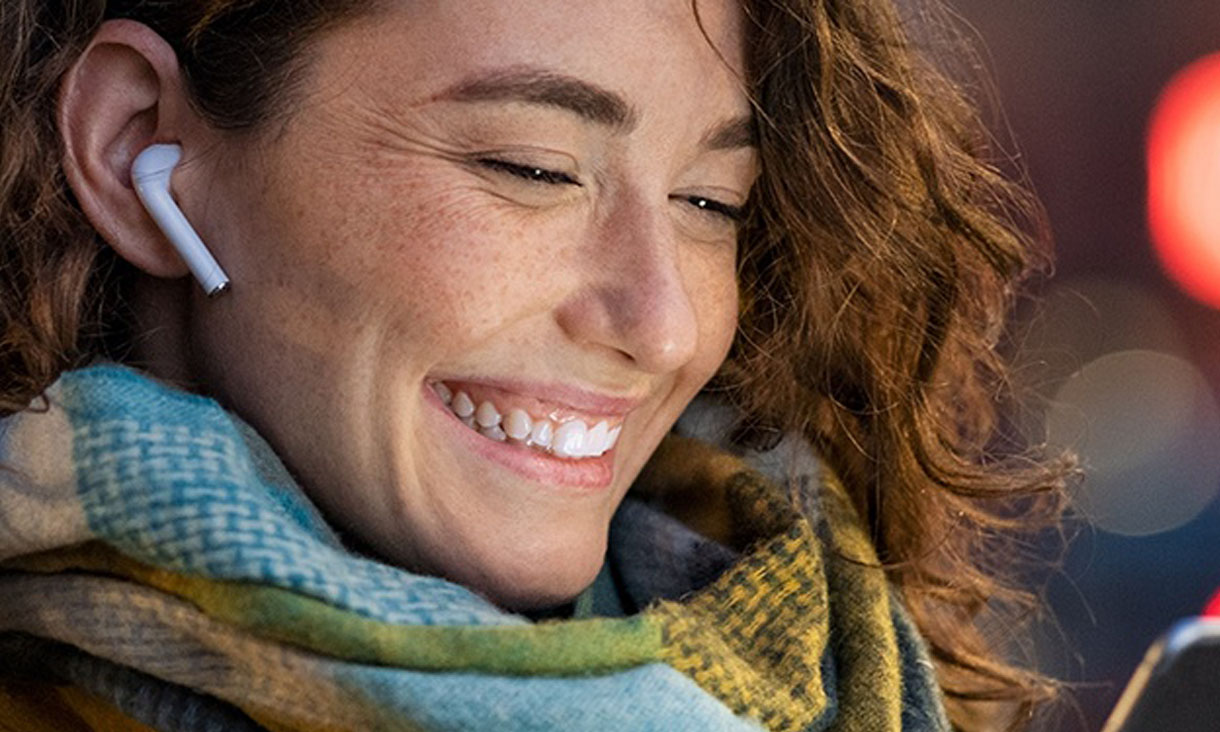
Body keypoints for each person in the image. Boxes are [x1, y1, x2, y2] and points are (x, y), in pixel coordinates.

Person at [0, 0, 1072, 730]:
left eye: (710, 203)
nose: (659, 328)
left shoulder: (832, 664)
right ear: (139, 146)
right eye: (532, 169)